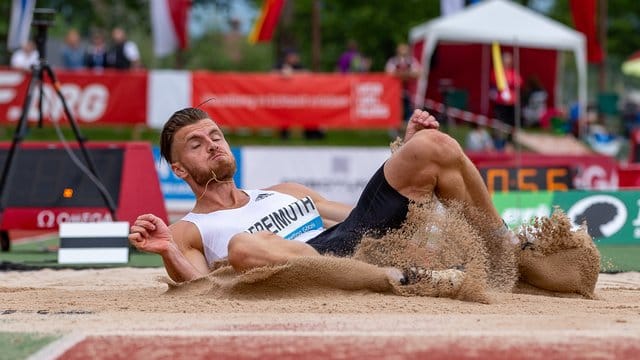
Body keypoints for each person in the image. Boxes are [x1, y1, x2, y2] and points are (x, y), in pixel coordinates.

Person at [129, 108, 515, 287]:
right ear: (179, 170)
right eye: (196, 144)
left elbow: (362, 215)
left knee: (434, 145)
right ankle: (401, 278)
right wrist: (169, 252)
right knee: (243, 246)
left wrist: (406, 154)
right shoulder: (188, 230)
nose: (212, 146)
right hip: (305, 270)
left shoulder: (285, 192)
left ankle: (505, 252)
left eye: (216, 136)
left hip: (351, 241)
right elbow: (202, 287)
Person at [385, 43, 421, 137]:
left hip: (409, 92)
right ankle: (395, 133)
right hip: (395, 93)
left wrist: (400, 75)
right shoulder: (393, 61)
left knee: (409, 111)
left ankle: (408, 131)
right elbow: (389, 74)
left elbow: (418, 73)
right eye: (401, 51)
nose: (403, 53)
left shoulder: (412, 61)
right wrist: (407, 74)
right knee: (396, 111)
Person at [489, 52, 522, 127]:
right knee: (500, 120)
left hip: (512, 102)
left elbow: (519, 82)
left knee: (511, 122)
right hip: (500, 101)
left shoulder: (513, 72)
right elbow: (495, 82)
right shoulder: (497, 72)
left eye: (509, 60)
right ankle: (498, 136)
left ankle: (510, 137)